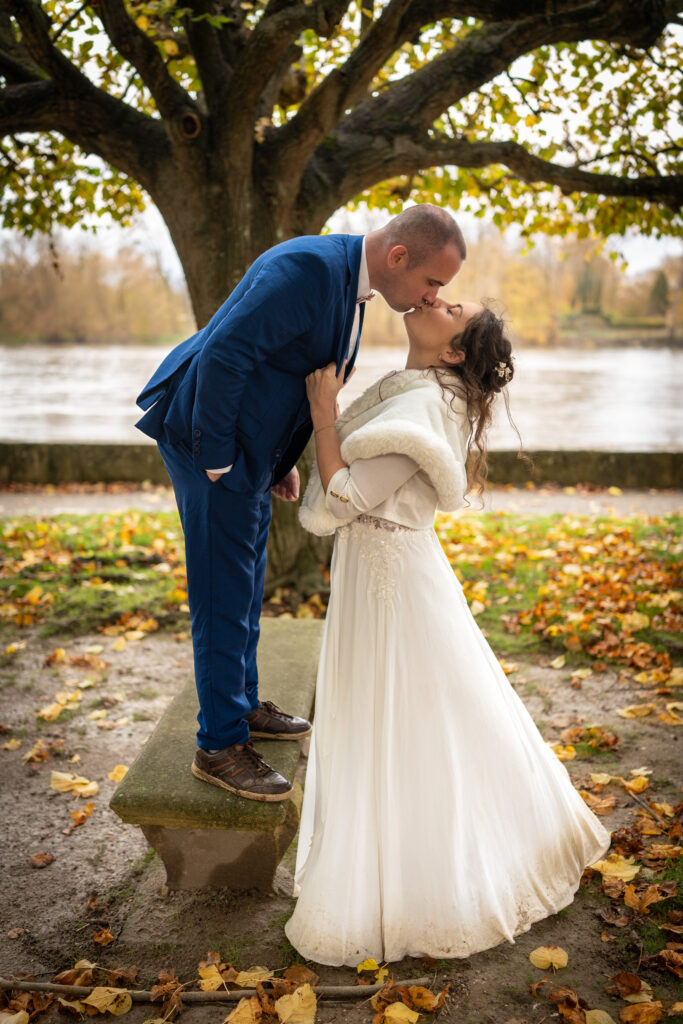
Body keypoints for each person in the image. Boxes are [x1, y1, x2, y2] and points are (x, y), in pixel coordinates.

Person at [284, 298, 611, 965]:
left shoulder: (423, 411)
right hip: (384, 567)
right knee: (417, 717)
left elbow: (344, 497)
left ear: (455, 351)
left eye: (452, 306)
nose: (435, 299)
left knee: (404, 721)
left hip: (391, 583)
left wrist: (323, 414)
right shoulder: (418, 395)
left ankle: (422, 887)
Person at [134, 205, 466, 802]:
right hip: (209, 441)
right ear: (398, 259)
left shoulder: (350, 281)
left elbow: (289, 371)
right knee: (222, 594)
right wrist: (220, 461)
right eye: (432, 283)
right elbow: (226, 355)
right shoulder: (308, 269)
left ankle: (241, 705)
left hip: (250, 452)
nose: (432, 295)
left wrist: (281, 459)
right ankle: (220, 747)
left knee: (246, 579)